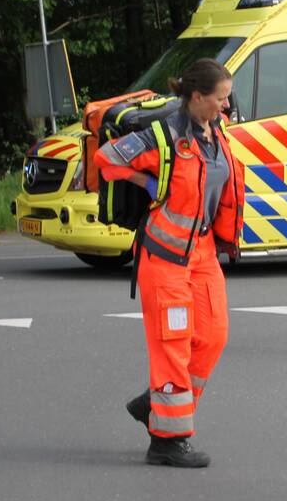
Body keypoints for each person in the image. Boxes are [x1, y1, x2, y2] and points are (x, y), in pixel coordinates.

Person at [95, 58, 245, 468]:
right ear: (196, 97)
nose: (226, 106)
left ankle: (155, 405)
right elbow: (107, 158)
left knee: (212, 336)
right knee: (173, 347)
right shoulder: (163, 137)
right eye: (220, 98)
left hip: (203, 253)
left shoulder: (217, 134)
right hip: (164, 257)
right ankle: (167, 440)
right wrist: (148, 183)